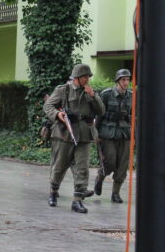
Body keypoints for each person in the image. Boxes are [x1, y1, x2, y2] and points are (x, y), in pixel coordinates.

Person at [44, 63, 105, 213]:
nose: (87, 79)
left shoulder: (90, 92)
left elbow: (101, 111)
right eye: (84, 77)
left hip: (84, 134)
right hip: (64, 133)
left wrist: (93, 97)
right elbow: (48, 106)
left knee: (82, 168)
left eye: (88, 77)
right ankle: (53, 192)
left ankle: (77, 201)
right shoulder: (63, 90)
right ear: (76, 78)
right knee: (59, 166)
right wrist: (58, 115)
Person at [94, 69, 132, 203]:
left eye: (128, 80)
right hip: (108, 133)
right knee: (109, 162)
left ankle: (115, 193)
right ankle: (100, 177)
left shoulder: (131, 96)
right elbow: (99, 115)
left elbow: (134, 118)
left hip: (125, 134)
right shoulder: (106, 94)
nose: (126, 82)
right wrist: (95, 133)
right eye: (123, 80)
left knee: (122, 165)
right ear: (117, 81)